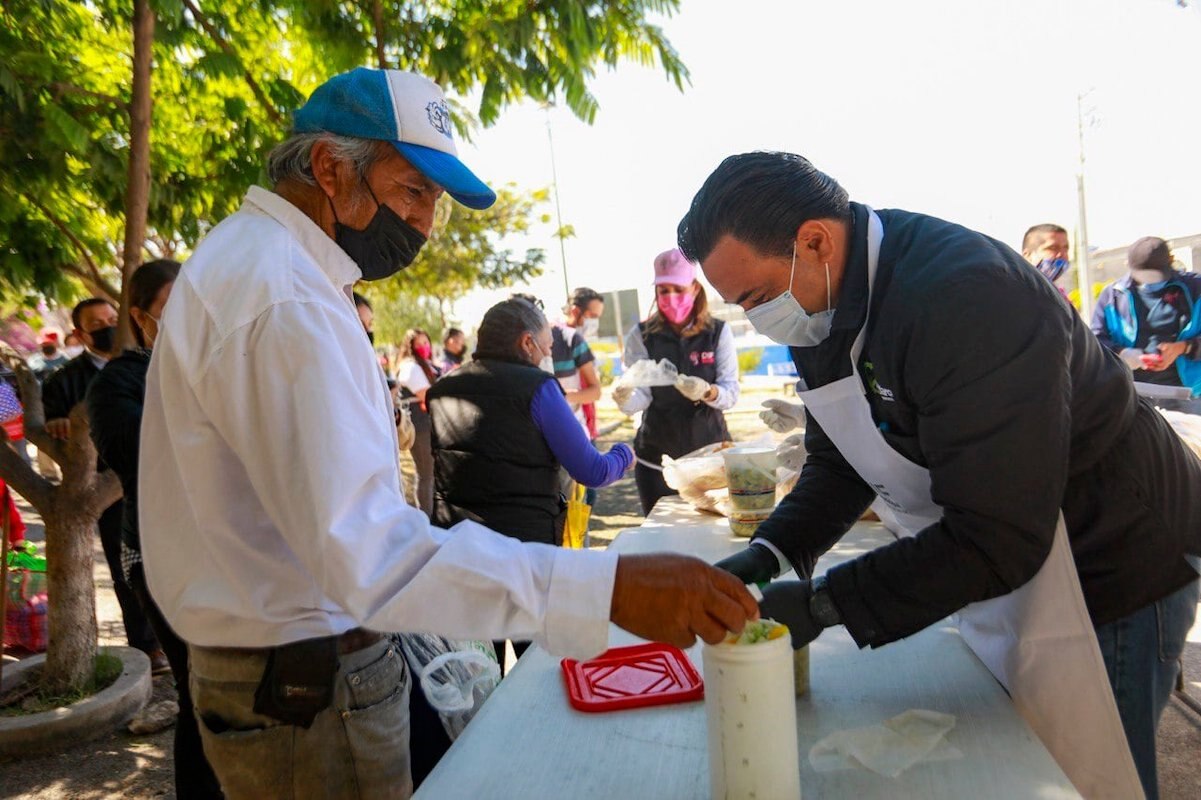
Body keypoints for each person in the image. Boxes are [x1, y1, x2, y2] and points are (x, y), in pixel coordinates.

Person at [138, 67, 755, 799]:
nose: (425, 224)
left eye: (433, 201)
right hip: (305, 680)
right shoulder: (285, 298)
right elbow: (370, 554)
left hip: (278, 662)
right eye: (412, 191)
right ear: (329, 168)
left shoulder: (254, 265)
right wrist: (606, 585)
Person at [684, 151, 1200, 800]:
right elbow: (840, 457)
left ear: (814, 240)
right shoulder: (819, 304)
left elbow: (997, 534)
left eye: (757, 297)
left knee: (1089, 779)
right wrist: (768, 552)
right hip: (1014, 562)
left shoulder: (966, 296)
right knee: (1018, 763)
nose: (759, 317)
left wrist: (823, 604)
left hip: (1114, 557)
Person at [86, 260, 221, 798]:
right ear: (141, 318)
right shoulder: (116, 381)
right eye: (173, 307)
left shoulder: (218, 367)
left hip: (225, 552)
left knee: (232, 694)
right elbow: (149, 459)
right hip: (164, 558)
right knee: (204, 695)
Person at [42, 297, 165, 673]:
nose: (107, 326)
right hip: (103, 491)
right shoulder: (63, 380)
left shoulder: (149, 364)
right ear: (79, 334)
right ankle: (147, 646)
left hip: (157, 479)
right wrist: (57, 426)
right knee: (127, 569)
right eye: (96, 324)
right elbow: (43, 422)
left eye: (112, 318)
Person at [613, 249, 740, 515]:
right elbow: (642, 397)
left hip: (710, 457)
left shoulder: (717, 333)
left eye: (678, 289)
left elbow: (730, 393)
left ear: (694, 289)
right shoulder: (642, 335)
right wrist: (624, 397)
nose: (670, 297)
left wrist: (708, 391)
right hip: (658, 459)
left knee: (713, 539)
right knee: (662, 541)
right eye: (663, 291)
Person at [1092, 236, 1201, 415]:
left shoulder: (1196, 289)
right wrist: (1122, 353)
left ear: (1171, 262)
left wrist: (1184, 347)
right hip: (1132, 395)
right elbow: (1096, 341)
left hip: (1189, 395)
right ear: (1128, 265)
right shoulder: (1112, 296)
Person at [395, 328, 440, 515]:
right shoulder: (411, 367)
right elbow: (426, 394)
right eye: (420, 344)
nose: (425, 347)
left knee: (429, 475)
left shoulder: (422, 365)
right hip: (419, 427)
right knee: (426, 475)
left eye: (426, 342)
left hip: (425, 424)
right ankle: (426, 519)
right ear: (410, 346)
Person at [1021, 223, 1071, 295]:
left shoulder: (1059, 295)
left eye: (1065, 249)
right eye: (1053, 248)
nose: (1062, 254)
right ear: (1027, 255)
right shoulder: (1017, 292)